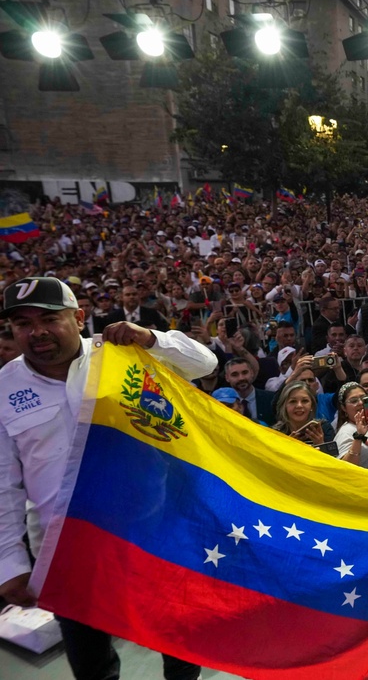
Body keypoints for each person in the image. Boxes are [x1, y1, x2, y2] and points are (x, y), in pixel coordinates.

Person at [0, 277, 216, 680]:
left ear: (80, 318)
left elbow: (206, 363)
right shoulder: (4, 388)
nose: (36, 331)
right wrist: (9, 562)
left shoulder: (123, 354)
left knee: (179, 649)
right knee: (91, 664)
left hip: (152, 533)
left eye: (49, 318)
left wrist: (152, 338)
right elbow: (3, 487)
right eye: (22, 323)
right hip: (67, 550)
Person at [271, 381, 334, 448]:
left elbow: (333, 458)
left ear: (312, 406)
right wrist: (288, 447)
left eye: (304, 401)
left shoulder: (323, 428)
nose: (299, 405)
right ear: (284, 406)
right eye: (293, 401)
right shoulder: (275, 433)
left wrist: (320, 444)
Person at [332, 382, 368, 468]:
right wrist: (358, 437)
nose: (360, 403)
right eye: (354, 401)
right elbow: (345, 468)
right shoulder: (345, 432)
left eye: (363, 398)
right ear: (343, 408)